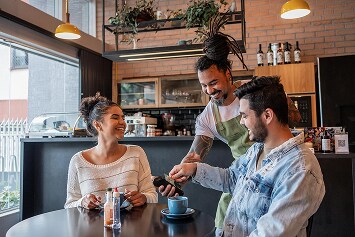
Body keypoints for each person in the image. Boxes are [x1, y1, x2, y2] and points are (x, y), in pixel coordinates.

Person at [158, 14, 301, 235]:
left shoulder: (255, 94)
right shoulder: (208, 117)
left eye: (213, 82)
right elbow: (194, 157)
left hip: (276, 170)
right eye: (204, 86)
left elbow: (293, 119)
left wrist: (274, 97)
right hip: (240, 176)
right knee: (225, 222)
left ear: (227, 73)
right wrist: (175, 181)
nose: (209, 91)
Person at [169, 76, 325, 236]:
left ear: (267, 116)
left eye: (244, 115)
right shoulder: (257, 149)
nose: (242, 122)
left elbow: (269, 233)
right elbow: (231, 178)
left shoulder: (300, 169)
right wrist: (193, 169)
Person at [64, 93, 157, 209]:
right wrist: (82, 202)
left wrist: (144, 198)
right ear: (97, 124)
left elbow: (152, 195)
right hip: (92, 227)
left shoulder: (136, 153)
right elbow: (69, 206)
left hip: (131, 226)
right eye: (115, 117)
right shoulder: (78, 161)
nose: (123, 122)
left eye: (123, 117)